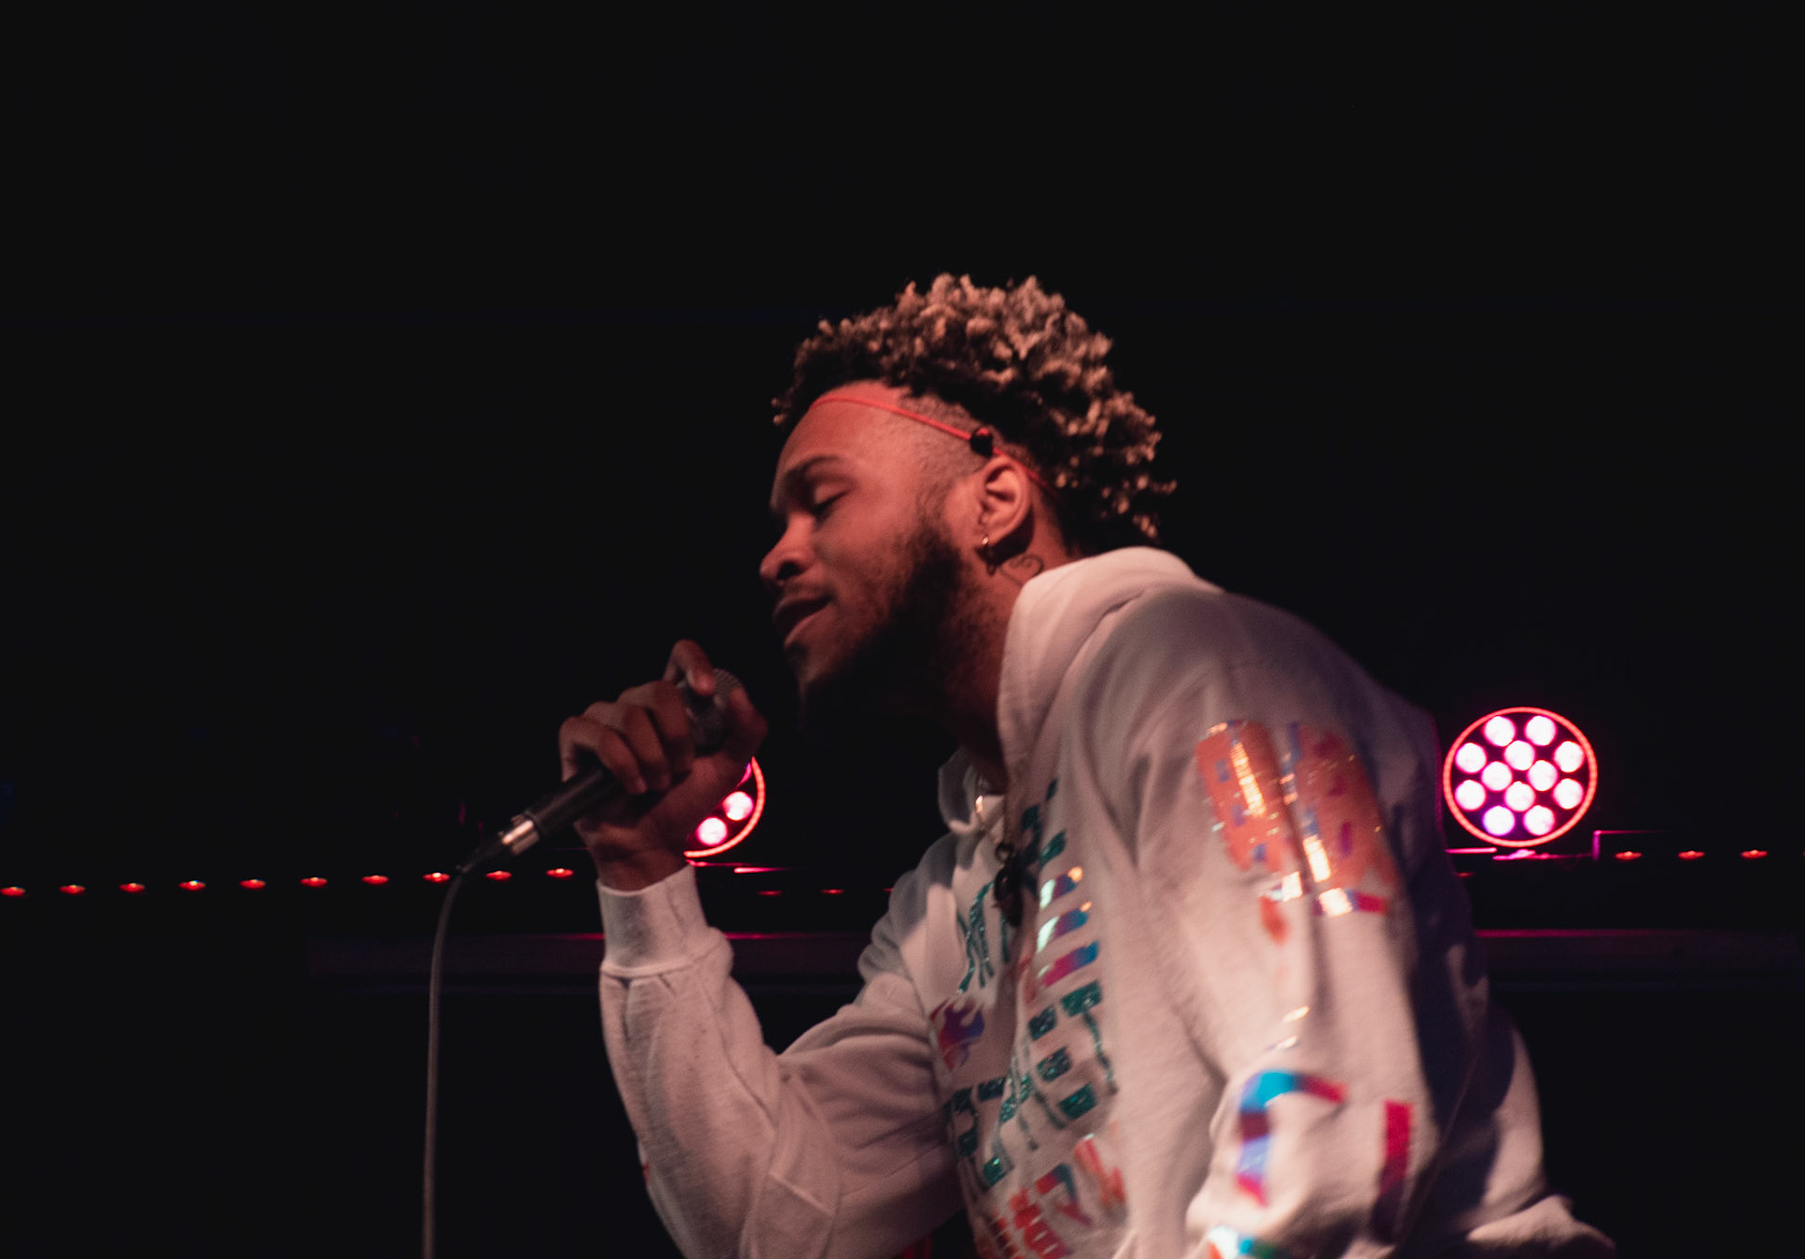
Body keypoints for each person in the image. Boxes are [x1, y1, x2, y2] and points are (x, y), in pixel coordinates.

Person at [559, 276, 1614, 1258]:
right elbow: (769, 1220)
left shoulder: (1199, 671)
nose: (776, 554)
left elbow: (1327, 1124)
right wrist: (641, 869)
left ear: (995, 500)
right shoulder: (949, 901)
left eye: (821, 500)